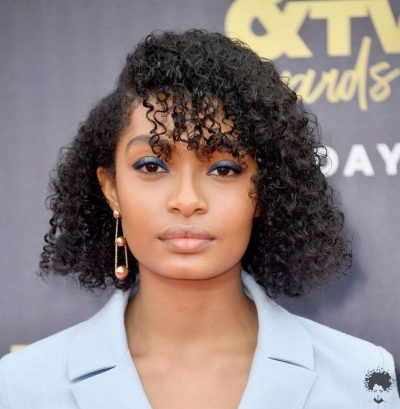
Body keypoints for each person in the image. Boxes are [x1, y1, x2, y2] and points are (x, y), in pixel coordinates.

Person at [0, 29, 398, 409]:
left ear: (265, 190)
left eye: (223, 169)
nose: (187, 201)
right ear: (111, 189)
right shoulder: (19, 387)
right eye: (152, 166)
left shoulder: (362, 377)